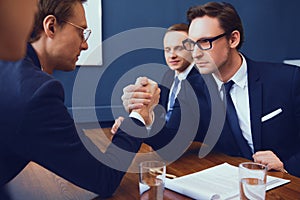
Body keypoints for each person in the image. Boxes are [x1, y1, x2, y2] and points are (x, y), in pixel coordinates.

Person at [0, 0, 160, 198]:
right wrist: (139, 115)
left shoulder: (12, 71)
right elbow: (103, 176)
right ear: (51, 26)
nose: (85, 45)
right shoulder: (35, 93)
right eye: (81, 32)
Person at [121, 2, 300, 177]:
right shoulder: (191, 90)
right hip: (228, 185)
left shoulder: (288, 80)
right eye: (191, 44)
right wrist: (146, 116)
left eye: (205, 42)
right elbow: (171, 144)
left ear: (233, 39)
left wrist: (287, 165)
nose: (196, 53)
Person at [111, 23, 198, 134]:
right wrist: (133, 121)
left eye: (179, 48)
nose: (172, 55)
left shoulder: (198, 83)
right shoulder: (170, 75)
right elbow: (155, 113)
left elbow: (175, 136)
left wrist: (135, 128)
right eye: (167, 49)